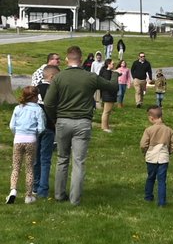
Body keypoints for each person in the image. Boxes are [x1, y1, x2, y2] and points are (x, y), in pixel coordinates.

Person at [43, 45, 119, 205]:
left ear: (66, 59)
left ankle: (59, 195)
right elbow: (112, 86)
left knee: (62, 159)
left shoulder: (59, 77)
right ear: (81, 58)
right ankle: (75, 199)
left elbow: (48, 103)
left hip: (63, 121)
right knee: (78, 161)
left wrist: (54, 118)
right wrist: (114, 74)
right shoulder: (90, 77)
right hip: (83, 122)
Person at [9, 86, 45, 204]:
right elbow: (41, 128)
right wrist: (35, 134)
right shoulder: (38, 109)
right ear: (34, 97)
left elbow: (11, 126)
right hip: (31, 140)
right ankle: (28, 196)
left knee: (16, 166)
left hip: (18, 139)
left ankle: (13, 190)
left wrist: (17, 133)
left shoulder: (18, 108)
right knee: (29, 168)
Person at [139, 106, 173, 206]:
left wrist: (145, 151)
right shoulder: (169, 130)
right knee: (162, 180)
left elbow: (143, 144)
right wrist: (169, 152)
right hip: (163, 158)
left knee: (150, 177)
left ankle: (148, 197)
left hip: (151, 157)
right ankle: (161, 202)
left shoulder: (149, 130)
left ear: (151, 118)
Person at [33, 66, 58, 199]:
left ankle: (35, 186)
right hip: (48, 127)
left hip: (34, 129)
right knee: (45, 159)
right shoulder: (52, 90)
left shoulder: (35, 89)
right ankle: (43, 189)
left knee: (36, 159)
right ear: (52, 77)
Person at [98, 59, 117, 133]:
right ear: (108, 64)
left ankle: (106, 125)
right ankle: (104, 127)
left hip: (108, 94)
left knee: (108, 111)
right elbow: (108, 84)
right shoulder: (107, 73)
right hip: (108, 94)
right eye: (112, 64)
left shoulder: (108, 72)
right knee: (106, 111)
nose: (113, 65)